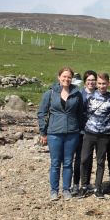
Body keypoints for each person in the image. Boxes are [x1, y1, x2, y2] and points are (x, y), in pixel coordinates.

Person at [37, 67, 83, 201]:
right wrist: (43, 132)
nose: (66, 79)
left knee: (68, 162)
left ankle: (66, 190)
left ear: (72, 79)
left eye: (69, 77)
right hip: (54, 133)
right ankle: (54, 190)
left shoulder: (77, 94)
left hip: (72, 133)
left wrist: (80, 130)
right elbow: (42, 113)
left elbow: (80, 114)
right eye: (64, 76)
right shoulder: (50, 93)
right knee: (55, 163)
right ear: (59, 77)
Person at [79, 73, 110, 198]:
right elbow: (83, 112)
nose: (101, 86)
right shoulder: (90, 97)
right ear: (96, 84)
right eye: (99, 83)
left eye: (104, 83)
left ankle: (98, 187)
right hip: (89, 133)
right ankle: (84, 185)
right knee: (84, 159)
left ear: (108, 84)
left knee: (100, 162)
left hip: (104, 135)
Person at [72, 70, 97, 196]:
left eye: (93, 80)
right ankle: (76, 183)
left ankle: (86, 183)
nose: (91, 82)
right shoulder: (79, 94)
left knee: (89, 158)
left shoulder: (99, 94)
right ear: (85, 81)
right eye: (89, 80)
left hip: (94, 131)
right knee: (80, 158)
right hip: (81, 130)